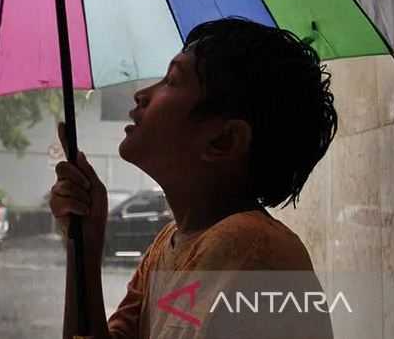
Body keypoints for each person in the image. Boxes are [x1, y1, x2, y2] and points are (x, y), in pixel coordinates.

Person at [50, 18, 337, 339]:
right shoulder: (168, 244)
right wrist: (84, 242)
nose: (142, 95)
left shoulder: (247, 248)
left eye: (171, 81)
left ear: (223, 141)